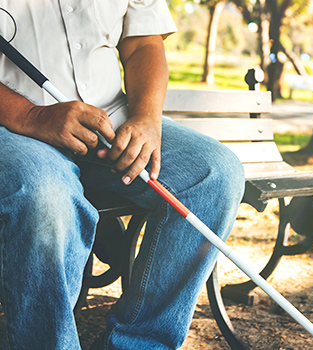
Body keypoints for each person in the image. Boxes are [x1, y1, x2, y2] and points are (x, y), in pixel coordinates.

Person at [0, 1, 245, 349]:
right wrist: (33, 115)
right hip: (15, 126)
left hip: (110, 118)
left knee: (214, 175)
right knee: (46, 196)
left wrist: (146, 117)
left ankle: (140, 344)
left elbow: (144, 43)